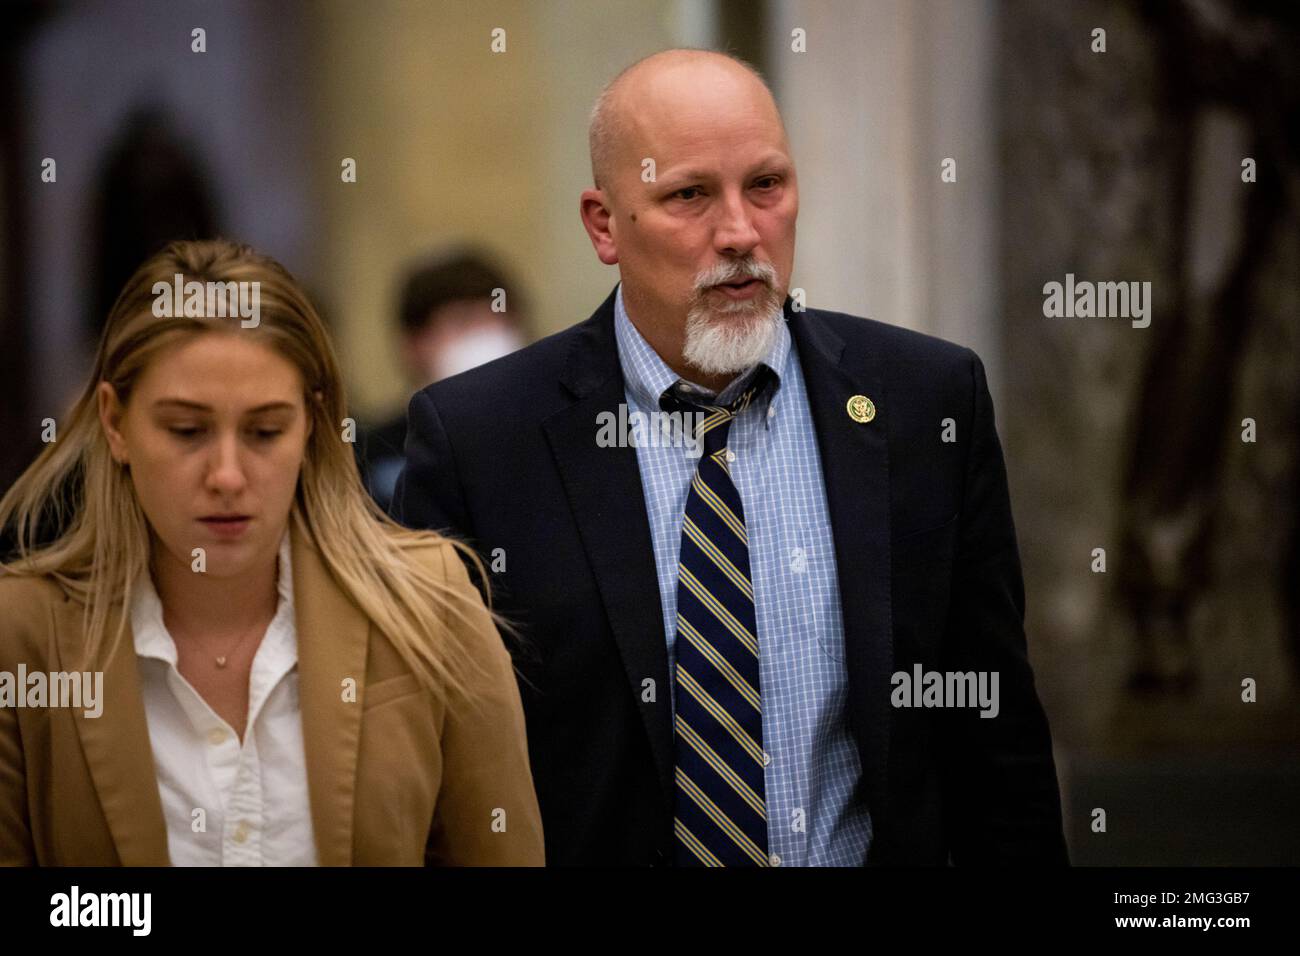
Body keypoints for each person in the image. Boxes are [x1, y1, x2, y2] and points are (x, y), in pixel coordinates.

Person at [394, 49, 1068, 866]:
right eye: (689, 195)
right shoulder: (482, 440)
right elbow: (431, 778)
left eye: (766, 186)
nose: (741, 232)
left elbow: (996, 743)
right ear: (604, 224)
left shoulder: (926, 403)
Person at [0, 238, 543, 866]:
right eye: (186, 430)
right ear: (115, 424)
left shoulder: (429, 601)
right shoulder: (24, 633)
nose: (227, 474)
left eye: (264, 431)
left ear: (312, 424)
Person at [355, 249, 529, 511]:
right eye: (463, 321)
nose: (485, 336)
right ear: (413, 344)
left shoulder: (546, 438)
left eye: (498, 320)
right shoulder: (372, 453)